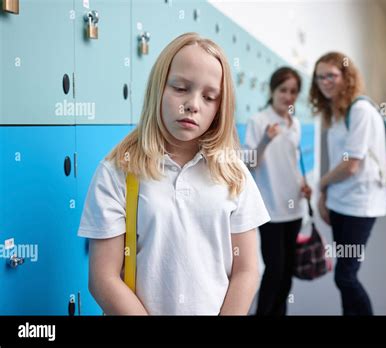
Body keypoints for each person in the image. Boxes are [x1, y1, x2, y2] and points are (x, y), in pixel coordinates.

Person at [77, 33, 270, 315]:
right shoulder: (118, 171)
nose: (193, 104)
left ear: (220, 108)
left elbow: (247, 270)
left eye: (209, 96)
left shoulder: (233, 173)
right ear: (159, 88)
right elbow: (103, 279)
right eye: (180, 88)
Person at [309, 52, 386, 315]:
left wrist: (321, 185)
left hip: (361, 203)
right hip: (340, 201)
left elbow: (352, 164)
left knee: (345, 275)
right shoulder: (334, 112)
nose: (325, 81)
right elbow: (336, 161)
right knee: (344, 276)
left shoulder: (361, 110)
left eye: (331, 75)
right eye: (320, 77)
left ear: (346, 77)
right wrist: (326, 197)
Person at [244, 67, 312, 315]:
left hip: (294, 205)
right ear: (272, 91)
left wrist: (304, 184)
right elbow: (249, 163)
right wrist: (265, 140)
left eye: (293, 91)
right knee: (275, 269)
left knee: (288, 271)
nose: (288, 96)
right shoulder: (259, 120)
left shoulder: (295, 124)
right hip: (270, 209)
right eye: (283, 90)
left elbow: (294, 161)